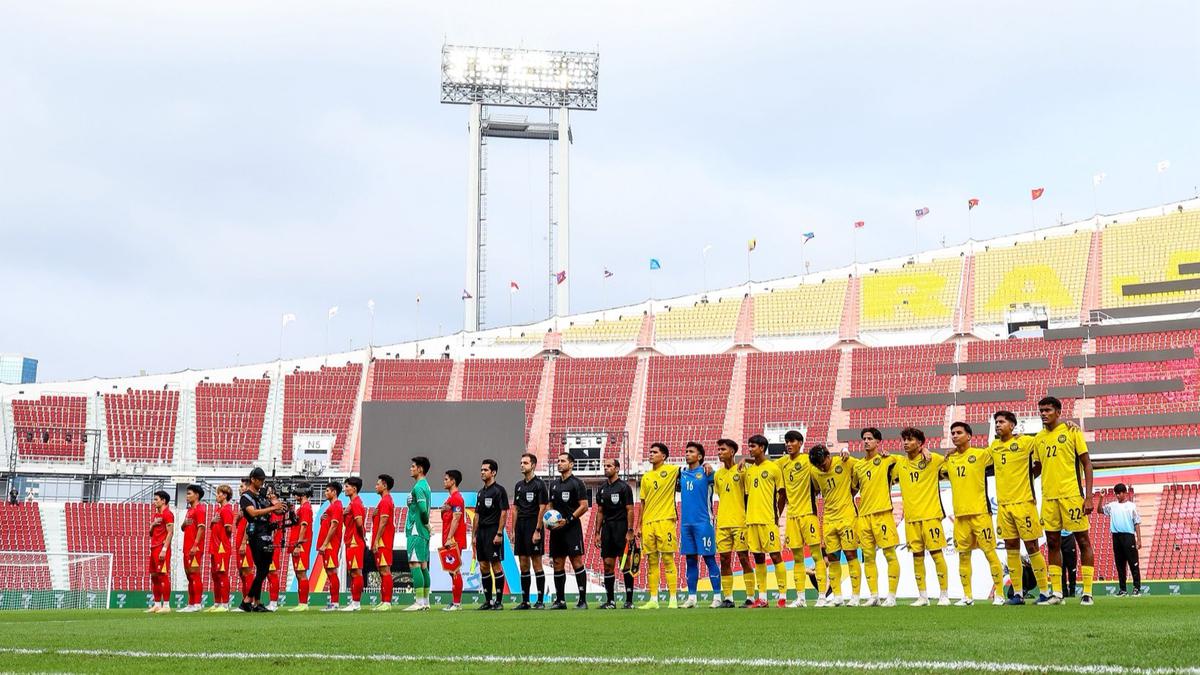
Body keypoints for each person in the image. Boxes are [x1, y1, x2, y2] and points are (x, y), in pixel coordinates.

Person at [1034, 396, 1096, 606]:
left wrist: (1088, 497)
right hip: (1049, 498)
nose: (1043, 413)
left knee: (1083, 541)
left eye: (1048, 410)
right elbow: (1037, 468)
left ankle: (1087, 592)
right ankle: (1057, 594)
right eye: (1041, 410)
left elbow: (1087, 464)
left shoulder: (1072, 431)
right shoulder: (1038, 439)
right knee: (1052, 543)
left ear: (1058, 412)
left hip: (1071, 496)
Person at [988, 410, 1052, 605]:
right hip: (1004, 506)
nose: (998, 425)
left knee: (1032, 546)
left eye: (1001, 422)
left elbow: (1041, 456)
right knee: (1011, 548)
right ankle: (1018, 594)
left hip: (1024, 503)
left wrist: (1030, 476)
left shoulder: (1026, 442)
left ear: (1012, 425)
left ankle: (1044, 591)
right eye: (996, 422)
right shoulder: (994, 447)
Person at [944, 422, 1005, 606]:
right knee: (963, 556)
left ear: (969, 436)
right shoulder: (949, 460)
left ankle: (1000, 594)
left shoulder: (980, 455)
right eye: (953, 433)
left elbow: (999, 447)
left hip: (980, 513)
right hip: (960, 517)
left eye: (959, 432)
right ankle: (967, 596)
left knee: (990, 553)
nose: (955, 436)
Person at [895, 427, 949, 606]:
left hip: (930, 516)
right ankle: (923, 596)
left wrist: (926, 451)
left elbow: (951, 459)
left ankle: (944, 595)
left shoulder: (933, 460)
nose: (905, 443)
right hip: (911, 519)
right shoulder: (898, 463)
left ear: (919, 443)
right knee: (916, 557)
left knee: (936, 554)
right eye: (904, 440)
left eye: (910, 440)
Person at [852, 427, 901, 607]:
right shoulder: (858, 466)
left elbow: (910, 459)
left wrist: (925, 450)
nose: (866, 441)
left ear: (878, 442)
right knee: (868, 556)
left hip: (882, 513)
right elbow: (854, 487)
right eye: (864, 438)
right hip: (864, 516)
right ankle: (873, 595)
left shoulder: (888, 460)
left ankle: (892, 596)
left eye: (870, 438)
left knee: (889, 554)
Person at [775, 429, 823, 607]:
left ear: (800, 443)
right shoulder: (783, 463)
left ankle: (822, 596)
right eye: (787, 441)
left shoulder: (808, 460)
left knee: (817, 556)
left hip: (808, 514)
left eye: (792, 441)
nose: (788, 444)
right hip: (792, 516)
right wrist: (745, 460)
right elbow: (766, 463)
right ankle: (801, 598)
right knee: (797, 559)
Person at [810, 444, 860, 606]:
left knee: (851, 555)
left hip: (847, 517)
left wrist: (846, 449)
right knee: (832, 558)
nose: (821, 468)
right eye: (818, 465)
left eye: (823, 464)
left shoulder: (845, 462)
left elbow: (863, 467)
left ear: (828, 456)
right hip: (829, 518)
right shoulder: (815, 472)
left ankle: (855, 596)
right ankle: (837, 596)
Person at [743, 434, 787, 608]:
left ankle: (782, 596)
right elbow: (747, 495)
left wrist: (777, 515)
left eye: (753, 446)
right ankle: (762, 598)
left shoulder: (774, 468)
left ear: (762, 447)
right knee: (758, 558)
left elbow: (782, 494)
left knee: (776, 556)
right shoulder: (749, 470)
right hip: (752, 520)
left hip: (768, 520)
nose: (750, 449)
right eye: (749, 446)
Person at [636, 442, 681, 609]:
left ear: (663, 456)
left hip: (666, 521)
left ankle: (673, 598)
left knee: (668, 559)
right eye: (650, 451)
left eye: (654, 452)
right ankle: (653, 599)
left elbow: (691, 469)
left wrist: (705, 465)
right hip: (648, 523)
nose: (651, 454)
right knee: (651, 561)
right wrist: (639, 525)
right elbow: (642, 503)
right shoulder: (646, 477)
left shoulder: (672, 471)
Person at [679, 442, 722, 609]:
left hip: (704, 523)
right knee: (690, 560)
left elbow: (719, 478)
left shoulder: (707, 473)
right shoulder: (681, 474)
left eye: (691, 452)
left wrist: (709, 466)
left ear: (700, 456)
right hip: (686, 524)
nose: (687, 454)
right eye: (686, 451)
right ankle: (692, 598)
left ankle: (717, 596)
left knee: (709, 558)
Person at [240, 467, 288, 612]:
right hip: (256, 534)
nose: (262, 483)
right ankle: (248, 600)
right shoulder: (246, 496)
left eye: (263, 480)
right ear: (253, 479)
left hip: (266, 532)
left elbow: (278, 510)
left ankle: (255, 602)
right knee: (263, 568)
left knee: (263, 569)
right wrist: (273, 509)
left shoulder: (262, 496)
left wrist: (278, 504)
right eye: (260, 480)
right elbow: (253, 513)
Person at [714, 438, 755, 608]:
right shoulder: (718, 475)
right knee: (724, 559)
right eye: (718, 450)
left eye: (723, 449)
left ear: (732, 452)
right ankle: (728, 597)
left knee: (744, 558)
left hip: (740, 522)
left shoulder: (743, 470)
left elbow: (748, 496)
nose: (719, 452)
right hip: (723, 522)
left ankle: (751, 596)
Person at [547, 452, 589, 609]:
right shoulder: (554, 484)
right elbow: (551, 506)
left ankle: (582, 600)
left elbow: (584, 505)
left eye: (563, 461)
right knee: (557, 563)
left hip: (571, 528)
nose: (559, 463)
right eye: (558, 461)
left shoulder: (577, 483)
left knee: (576, 561)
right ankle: (560, 601)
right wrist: (549, 520)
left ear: (571, 464)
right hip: (557, 530)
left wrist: (569, 519)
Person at [594, 457, 635, 609]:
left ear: (617, 469)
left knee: (625, 564)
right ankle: (610, 601)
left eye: (609, 466)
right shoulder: (602, 488)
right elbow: (599, 512)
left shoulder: (624, 488)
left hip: (622, 528)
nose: (606, 468)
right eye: (605, 466)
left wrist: (630, 530)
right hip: (607, 530)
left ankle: (629, 601)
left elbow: (630, 510)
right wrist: (597, 532)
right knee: (607, 564)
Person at [512, 453, 550, 609]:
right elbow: (515, 509)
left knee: (536, 563)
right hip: (520, 527)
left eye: (525, 463)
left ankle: (540, 601)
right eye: (521, 462)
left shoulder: (539, 485)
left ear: (533, 465)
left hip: (533, 526)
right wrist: (514, 530)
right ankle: (525, 601)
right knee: (523, 564)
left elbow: (543, 508)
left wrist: (538, 530)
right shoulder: (518, 486)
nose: (522, 465)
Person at [474, 459, 510, 610]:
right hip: (481, 533)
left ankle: (499, 601)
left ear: (493, 472)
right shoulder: (481, 492)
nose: (482, 472)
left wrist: (499, 533)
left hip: (493, 531)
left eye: (485, 470)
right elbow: (476, 515)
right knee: (483, 566)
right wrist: (474, 536)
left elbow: (503, 513)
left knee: (496, 565)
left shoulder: (499, 490)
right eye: (481, 470)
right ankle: (488, 601)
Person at [403, 456, 433, 611]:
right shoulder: (426, 486)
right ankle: (426, 602)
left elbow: (422, 509)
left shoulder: (418, 487)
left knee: (415, 564)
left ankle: (419, 602)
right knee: (423, 565)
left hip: (417, 529)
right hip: (423, 531)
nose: (411, 468)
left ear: (420, 469)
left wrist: (426, 523)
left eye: (413, 466)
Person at [1103, 483, 1142, 596]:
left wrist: (1139, 539)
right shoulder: (1112, 506)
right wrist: (1101, 498)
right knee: (1120, 565)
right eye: (1116, 493)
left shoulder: (1131, 506)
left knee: (1133, 563)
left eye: (1120, 493)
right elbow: (1100, 510)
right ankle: (1123, 589)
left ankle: (1136, 588)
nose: (1118, 495)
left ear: (1125, 493)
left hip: (1128, 536)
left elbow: (1137, 523)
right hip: (1116, 536)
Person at [439, 469, 467, 611]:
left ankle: (457, 603)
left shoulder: (456, 498)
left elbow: (456, 518)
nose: (444, 481)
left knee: (455, 570)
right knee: (452, 570)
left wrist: (450, 538)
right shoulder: (450, 499)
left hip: (454, 540)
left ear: (453, 481)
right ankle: (455, 602)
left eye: (446, 479)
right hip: (449, 539)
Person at [205, 484, 235, 612]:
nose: (216, 496)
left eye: (218, 494)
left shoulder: (227, 509)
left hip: (222, 547)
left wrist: (223, 534)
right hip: (215, 546)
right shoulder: (218, 510)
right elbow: (215, 527)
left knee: (222, 574)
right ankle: (217, 603)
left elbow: (229, 528)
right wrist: (212, 522)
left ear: (225, 495)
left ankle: (225, 604)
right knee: (215, 575)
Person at [315, 481, 344, 611]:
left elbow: (334, 525)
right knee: (329, 572)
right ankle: (333, 602)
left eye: (327, 490)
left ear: (334, 492)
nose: (325, 493)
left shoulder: (337, 505)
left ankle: (335, 603)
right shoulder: (330, 507)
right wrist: (322, 519)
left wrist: (325, 543)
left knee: (332, 572)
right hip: (327, 545)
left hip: (331, 545)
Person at [340, 477, 367, 611]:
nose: (345, 489)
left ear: (354, 488)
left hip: (355, 541)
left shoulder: (355, 503)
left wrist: (362, 537)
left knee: (356, 572)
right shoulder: (353, 503)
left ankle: (356, 603)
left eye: (347, 486)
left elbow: (359, 523)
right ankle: (354, 602)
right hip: (352, 540)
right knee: (353, 572)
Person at [180, 484, 207, 612]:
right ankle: (191, 603)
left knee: (195, 574)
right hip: (186, 547)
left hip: (194, 548)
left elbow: (201, 528)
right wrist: (184, 523)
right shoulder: (189, 511)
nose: (187, 496)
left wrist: (195, 545)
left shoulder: (200, 509)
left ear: (197, 495)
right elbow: (182, 528)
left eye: (189, 493)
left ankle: (197, 603)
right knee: (189, 576)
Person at [147, 490, 174, 613]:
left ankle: (167, 605)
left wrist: (164, 549)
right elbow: (150, 533)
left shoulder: (168, 514)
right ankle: (157, 604)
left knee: (163, 575)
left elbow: (170, 532)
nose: (154, 502)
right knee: (154, 577)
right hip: (153, 547)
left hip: (161, 548)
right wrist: (152, 525)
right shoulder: (155, 515)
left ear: (163, 501)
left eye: (156, 499)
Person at [287, 484, 314, 612]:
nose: (294, 494)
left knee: (301, 573)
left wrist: (298, 545)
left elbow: (304, 526)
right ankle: (301, 603)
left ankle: (303, 604)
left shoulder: (306, 508)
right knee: (299, 574)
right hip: (297, 544)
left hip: (301, 545)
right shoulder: (303, 508)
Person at [373, 474, 396, 610]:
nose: (376, 486)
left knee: (385, 570)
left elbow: (384, 521)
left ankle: (387, 602)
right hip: (382, 540)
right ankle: (384, 601)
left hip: (384, 540)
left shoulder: (386, 501)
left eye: (378, 484)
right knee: (382, 571)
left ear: (385, 486)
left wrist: (376, 540)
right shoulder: (383, 501)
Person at [234, 478, 255, 603]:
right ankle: (245, 600)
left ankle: (249, 600)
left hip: (246, 544)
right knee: (242, 573)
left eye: (242, 486)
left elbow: (250, 524)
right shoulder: (242, 505)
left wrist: (243, 542)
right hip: (240, 543)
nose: (239, 489)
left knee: (247, 572)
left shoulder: (249, 503)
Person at [266, 487, 286, 611]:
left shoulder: (279, 507)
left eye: (270, 492)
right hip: (266, 544)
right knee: (268, 574)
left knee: (272, 573)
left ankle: (274, 602)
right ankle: (271, 601)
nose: (268, 494)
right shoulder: (269, 507)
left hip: (273, 545)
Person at [1060, 529, 1078, 598]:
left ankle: (1072, 591)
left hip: (1069, 536)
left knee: (1072, 567)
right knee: (1061, 567)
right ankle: (1064, 591)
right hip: (1058, 535)